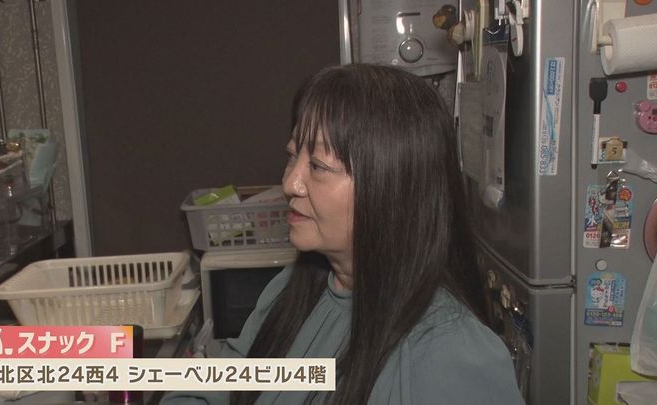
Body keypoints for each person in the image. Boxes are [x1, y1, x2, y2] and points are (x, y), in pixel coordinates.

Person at [161, 64, 525, 404]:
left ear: (390, 186)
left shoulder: (449, 354)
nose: (290, 183)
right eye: (293, 156)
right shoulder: (293, 289)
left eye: (318, 166)